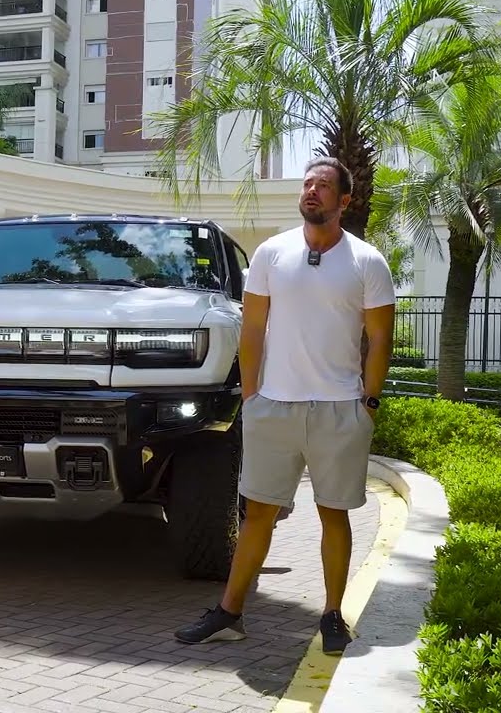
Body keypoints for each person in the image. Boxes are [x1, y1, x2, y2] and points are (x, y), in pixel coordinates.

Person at [174, 156, 396, 655]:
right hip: (273, 406)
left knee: (333, 515)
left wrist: (370, 404)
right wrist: (251, 396)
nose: (311, 191)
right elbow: (252, 329)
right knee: (257, 515)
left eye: (323, 186)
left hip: (339, 410)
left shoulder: (367, 262)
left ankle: (333, 616)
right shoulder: (271, 254)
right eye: (307, 183)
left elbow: (380, 339)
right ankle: (229, 612)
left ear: (345, 201)